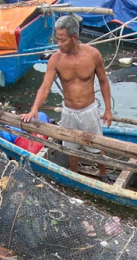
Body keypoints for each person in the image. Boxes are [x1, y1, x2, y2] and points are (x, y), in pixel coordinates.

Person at [23, 15, 112, 179]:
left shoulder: (93, 55)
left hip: (89, 110)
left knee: (96, 145)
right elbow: (45, 86)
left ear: (74, 37)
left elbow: (104, 82)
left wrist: (108, 109)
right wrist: (34, 108)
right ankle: (74, 175)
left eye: (63, 40)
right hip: (69, 111)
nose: (59, 44)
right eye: (57, 39)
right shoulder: (56, 59)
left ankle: (103, 173)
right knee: (71, 147)